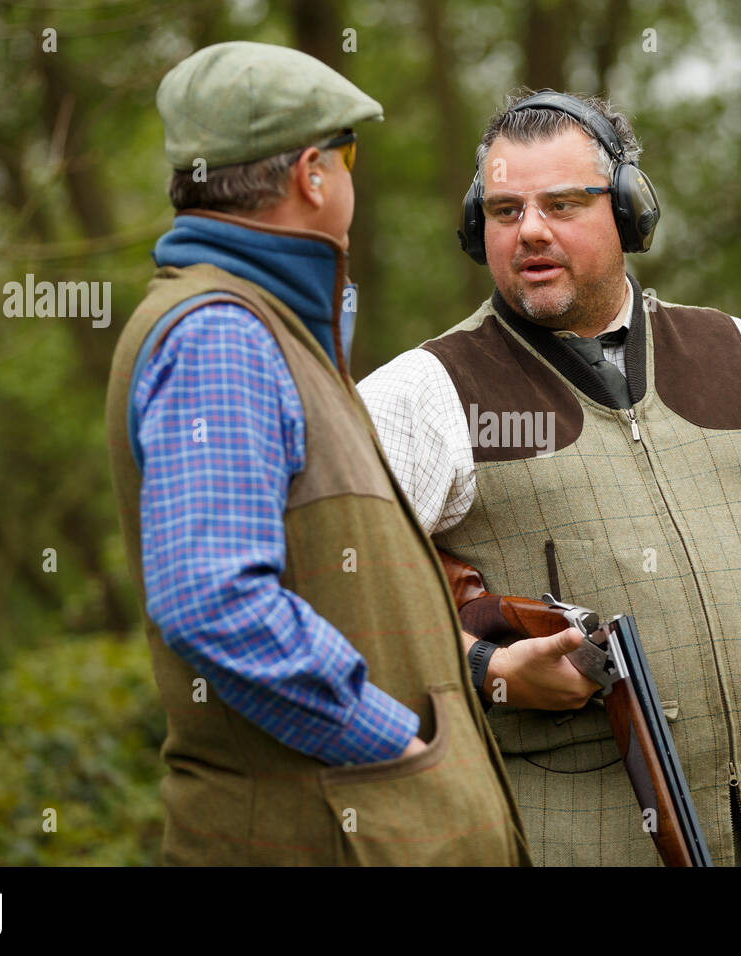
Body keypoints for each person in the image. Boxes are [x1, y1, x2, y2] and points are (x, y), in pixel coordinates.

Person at [357, 88, 741, 866]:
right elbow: (333, 598)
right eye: (505, 210)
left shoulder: (739, 353)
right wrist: (490, 670)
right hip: (576, 836)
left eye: (562, 203)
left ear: (627, 211)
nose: (531, 232)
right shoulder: (423, 391)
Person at [104, 42, 532, 866]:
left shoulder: (273, 332)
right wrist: (394, 742)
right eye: (350, 153)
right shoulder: (222, 337)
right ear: (312, 174)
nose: (351, 176)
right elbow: (213, 601)